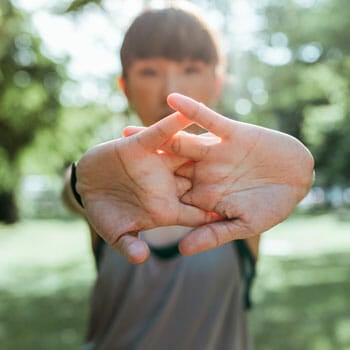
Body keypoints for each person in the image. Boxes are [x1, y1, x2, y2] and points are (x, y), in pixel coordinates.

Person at [62, 5, 314, 350]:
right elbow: (78, 190)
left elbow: (279, 186)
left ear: (216, 82)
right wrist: (80, 186)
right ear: (125, 86)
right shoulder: (108, 186)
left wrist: (300, 168)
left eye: (190, 69)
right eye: (149, 71)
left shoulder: (238, 191)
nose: (170, 88)